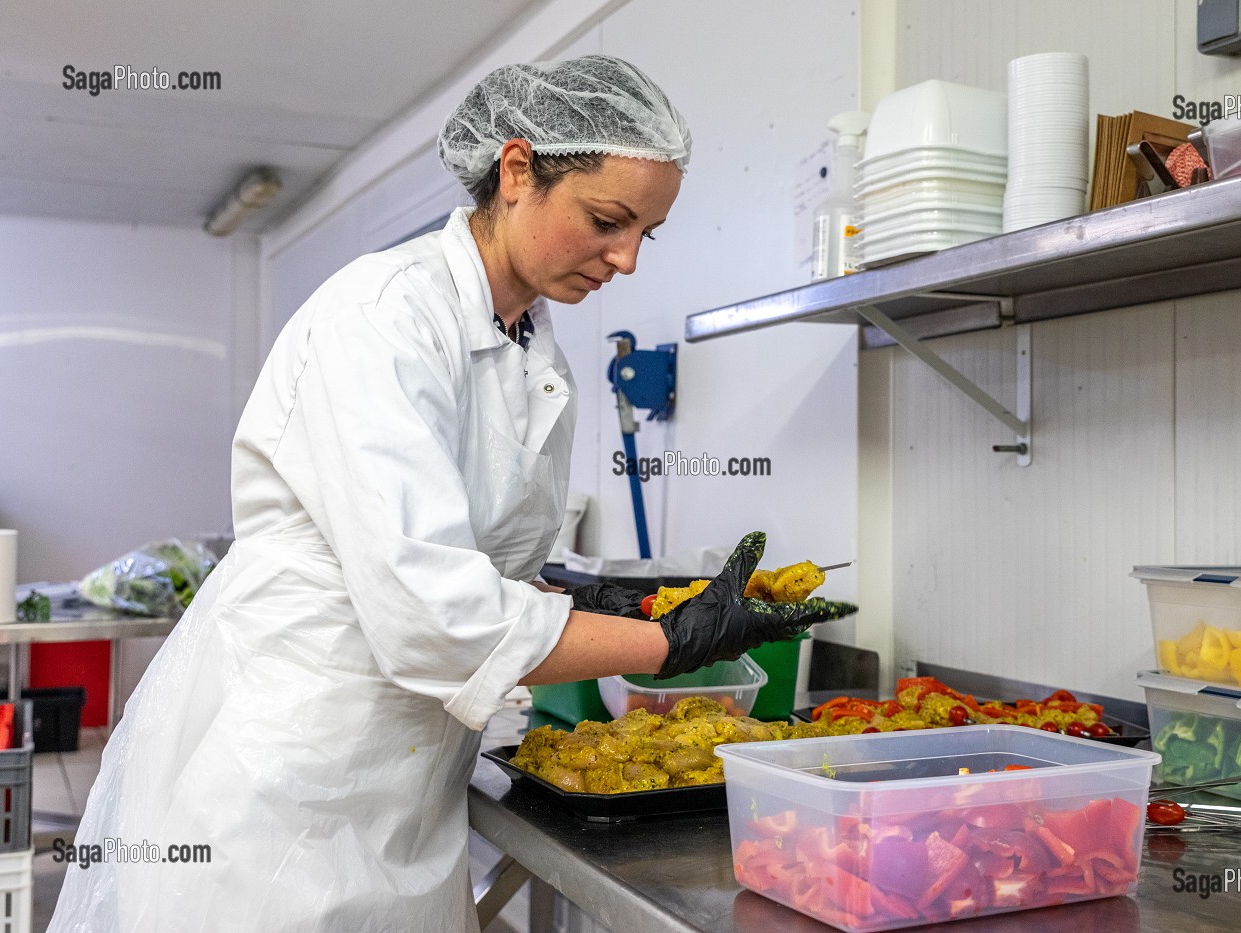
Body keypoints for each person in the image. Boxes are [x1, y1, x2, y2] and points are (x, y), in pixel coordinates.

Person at [49, 55, 854, 932]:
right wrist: (664, 640)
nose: (624, 258)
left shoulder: (532, 355)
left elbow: (475, 569)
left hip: (404, 778)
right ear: (516, 172)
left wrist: (598, 596)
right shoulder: (383, 317)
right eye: (606, 219)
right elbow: (433, 607)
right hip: (287, 778)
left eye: (644, 235)